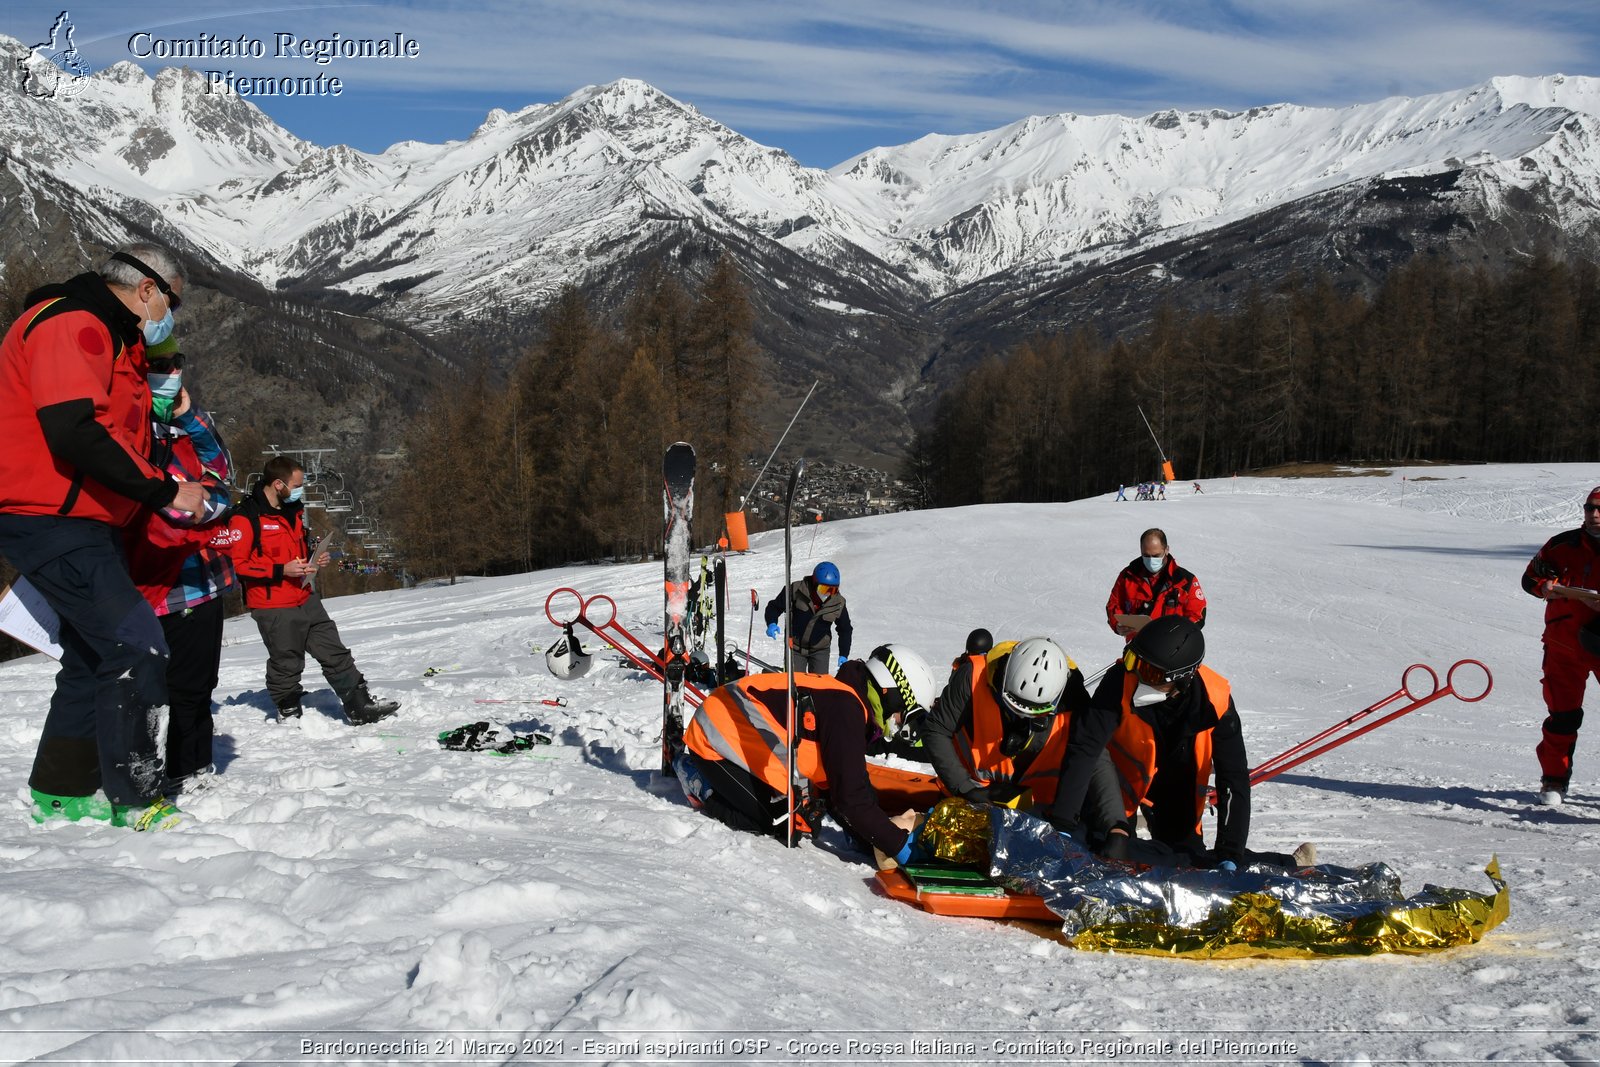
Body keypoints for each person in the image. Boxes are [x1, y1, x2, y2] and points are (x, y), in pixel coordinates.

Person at [0, 244, 203, 829]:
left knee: (92, 657)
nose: (172, 316)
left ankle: (59, 790)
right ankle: (136, 797)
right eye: (173, 301)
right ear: (147, 289)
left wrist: (161, 362)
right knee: (135, 642)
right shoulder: (74, 323)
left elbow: (128, 413)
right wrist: (164, 491)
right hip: (52, 516)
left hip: (82, 516)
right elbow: (73, 429)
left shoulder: (110, 332)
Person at [1047, 616, 1308, 869]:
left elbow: (1234, 779)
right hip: (1121, 783)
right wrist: (1063, 824)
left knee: (1188, 861)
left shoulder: (1215, 704)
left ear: (1180, 679)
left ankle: (1289, 865)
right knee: (1108, 848)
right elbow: (1085, 748)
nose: (1136, 673)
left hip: (1178, 786)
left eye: (1149, 671)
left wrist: (1230, 850)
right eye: (1133, 659)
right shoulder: (1121, 679)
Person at [676, 645, 934, 863]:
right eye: (902, 713)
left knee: (796, 818)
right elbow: (850, 799)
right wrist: (902, 848)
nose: (896, 723)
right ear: (891, 691)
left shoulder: (851, 704)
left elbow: (846, 787)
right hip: (713, 739)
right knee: (778, 823)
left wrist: (873, 842)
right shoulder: (847, 709)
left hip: (739, 741)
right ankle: (699, 783)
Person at [123, 333, 236, 792]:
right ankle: (139, 773)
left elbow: (222, 470)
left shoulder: (192, 422)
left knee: (196, 685)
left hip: (201, 579)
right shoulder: (124, 425)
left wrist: (189, 418)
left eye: (176, 363)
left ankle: (191, 765)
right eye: (161, 366)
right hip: (149, 582)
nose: (171, 373)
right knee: (144, 690)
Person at [222, 455, 398, 725]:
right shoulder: (245, 518)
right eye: (296, 485)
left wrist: (314, 557)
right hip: (273, 604)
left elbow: (298, 547)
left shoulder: (293, 510)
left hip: (303, 594)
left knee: (333, 649)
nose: (300, 491)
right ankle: (288, 707)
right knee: (286, 659)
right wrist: (282, 570)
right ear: (278, 484)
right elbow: (238, 565)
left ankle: (359, 705)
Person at [922, 637, 1121, 839]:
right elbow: (936, 729)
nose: (1021, 718)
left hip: (1040, 818)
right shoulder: (972, 677)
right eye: (1013, 707)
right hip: (965, 801)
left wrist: (1116, 826)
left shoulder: (1074, 701)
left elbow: (1095, 758)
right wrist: (964, 788)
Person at [1521, 485, 1600, 805]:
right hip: (1564, 645)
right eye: (1589, 509)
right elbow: (1530, 579)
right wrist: (1546, 588)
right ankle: (1554, 781)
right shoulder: (1560, 545)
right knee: (1562, 716)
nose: (1594, 515)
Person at [1106, 527, 1206, 639]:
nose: (1151, 560)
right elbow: (1113, 605)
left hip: (1172, 647)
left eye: (1156, 556)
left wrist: (1179, 633)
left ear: (1166, 550)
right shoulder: (1128, 576)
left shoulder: (1184, 581)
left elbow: (1198, 615)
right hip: (1138, 646)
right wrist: (1117, 625)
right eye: (1146, 556)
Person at [764, 560, 853, 673]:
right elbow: (774, 607)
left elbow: (845, 629)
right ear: (814, 582)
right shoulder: (796, 590)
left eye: (833, 590)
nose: (828, 593)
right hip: (795, 648)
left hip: (820, 649)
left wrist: (844, 654)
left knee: (818, 687)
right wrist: (771, 622)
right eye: (824, 589)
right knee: (794, 684)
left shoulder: (838, 603)